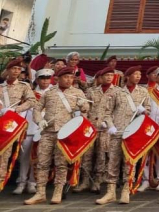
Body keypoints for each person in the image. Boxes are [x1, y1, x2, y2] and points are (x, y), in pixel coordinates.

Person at [25, 66, 90, 205]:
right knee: (42, 163)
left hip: (64, 133)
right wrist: (39, 121)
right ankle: (40, 192)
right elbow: (37, 108)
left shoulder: (77, 92)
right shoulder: (49, 92)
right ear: (58, 78)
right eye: (66, 77)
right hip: (47, 132)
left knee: (61, 164)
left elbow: (86, 109)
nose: (69, 80)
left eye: (71, 77)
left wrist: (82, 105)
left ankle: (58, 191)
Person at [96, 65, 149, 205]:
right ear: (127, 76)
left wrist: (143, 110)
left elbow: (149, 111)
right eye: (135, 74)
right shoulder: (117, 93)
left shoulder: (143, 92)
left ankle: (126, 191)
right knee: (113, 162)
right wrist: (110, 125)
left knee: (129, 163)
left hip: (133, 133)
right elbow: (107, 112)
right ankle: (110, 192)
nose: (138, 76)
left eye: (139, 74)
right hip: (117, 132)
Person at [75, 67, 117, 193]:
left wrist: (109, 123)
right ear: (100, 77)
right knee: (87, 156)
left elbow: (118, 110)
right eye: (106, 75)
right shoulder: (91, 91)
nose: (109, 77)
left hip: (105, 128)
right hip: (91, 127)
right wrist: (83, 107)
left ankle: (98, 181)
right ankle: (85, 181)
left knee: (101, 155)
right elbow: (86, 108)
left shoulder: (117, 92)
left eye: (111, 75)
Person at [15, 68, 53, 195]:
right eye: (42, 78)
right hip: (30, 129)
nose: (45, 81)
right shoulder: (30, 93)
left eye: (47, 78)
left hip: (46, 130)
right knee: (25, 157)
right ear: (37, 80)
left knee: (39, 158)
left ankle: (33, 182)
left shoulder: (54, 93)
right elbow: (23, 111)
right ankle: (21, 182)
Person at [0, 58, 36, 186]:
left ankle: (1, 180)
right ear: (8, 70)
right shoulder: (0, 87)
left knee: (6, 153)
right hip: (1, 122)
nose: (16, 71)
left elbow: (32, 101)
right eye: (13, 68)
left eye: (18, 69)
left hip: (14, 124)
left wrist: (17, 109)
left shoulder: (23, 86)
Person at [138, 66, 159, 192]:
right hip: (149, 126)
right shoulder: (148, 91)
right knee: (146, 155)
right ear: (156, 77)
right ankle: (146, 180)